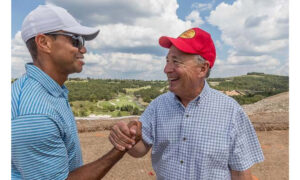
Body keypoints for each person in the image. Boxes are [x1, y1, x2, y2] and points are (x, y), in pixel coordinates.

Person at [109, 27, 264, 179]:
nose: (166, 69)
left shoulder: (231, 111)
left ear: (202, 69)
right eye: (167, 61)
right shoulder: (158, 106)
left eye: (176, 62)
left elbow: (241, 173)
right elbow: (139, 150)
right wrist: (127, 137)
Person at [11, 4, 141, 179]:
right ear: (44, 43)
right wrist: (119, 149)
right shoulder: (34, 115)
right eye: (75, 40)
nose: (83, 49)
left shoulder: (48, 92)